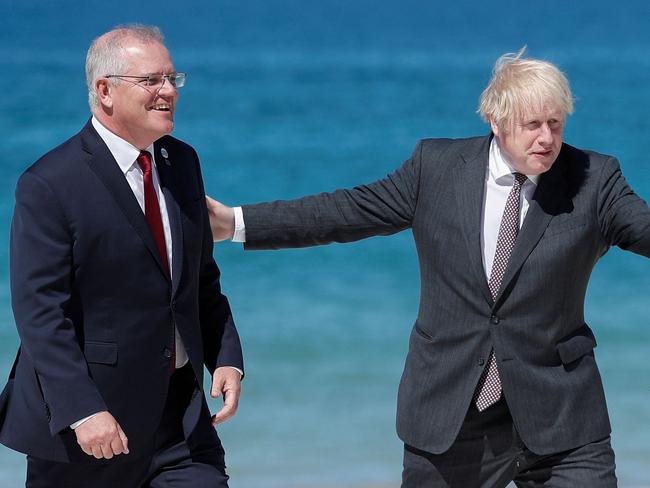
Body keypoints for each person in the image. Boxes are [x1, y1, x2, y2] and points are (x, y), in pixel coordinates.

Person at [207, 49, 650, 487]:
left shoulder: (596, 178)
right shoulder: (435, 169)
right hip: (451, 413)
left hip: (561, 414)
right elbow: (348, 211)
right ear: (495, 122)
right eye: (532, 125)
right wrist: (236, 223)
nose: (547, 139)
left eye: (555, 123)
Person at [0, 25, 243, 488]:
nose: (168, 91)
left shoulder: (183, 162)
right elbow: (39, 312)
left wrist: (226, 356)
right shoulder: (50, 183)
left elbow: (199, 277)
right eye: (151, 80)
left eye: (173, 78)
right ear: (105, 90)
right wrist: (83, 409)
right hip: (88, 429)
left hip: (179, 423)